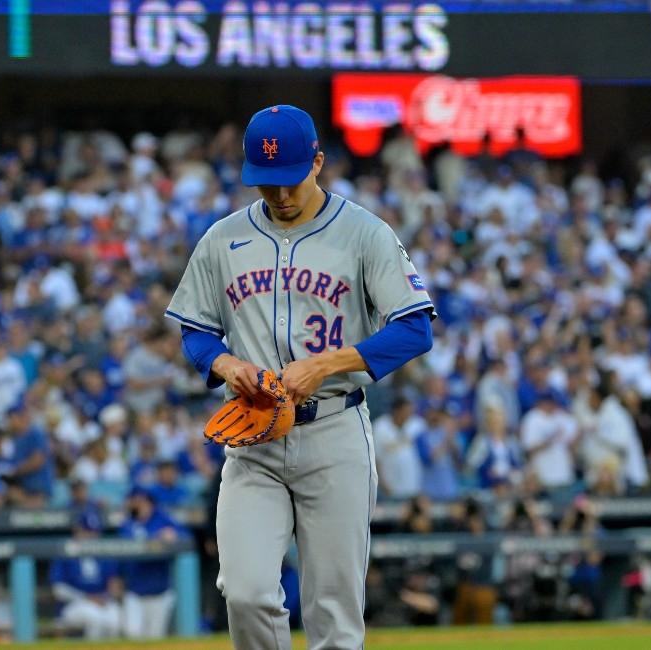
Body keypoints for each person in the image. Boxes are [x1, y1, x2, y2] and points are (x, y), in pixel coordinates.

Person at [165, 104, 435, 650]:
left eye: (291, 179)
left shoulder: (365, 233)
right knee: (245, 593)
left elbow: (415, 329)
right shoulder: (223, 238)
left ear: (317, 163)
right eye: (267, 184)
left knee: (332, 614)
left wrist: (327, 363)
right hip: (255, 437)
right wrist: (225, 364)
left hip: (334, 431)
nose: (281, 195)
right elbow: (195, 332)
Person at [117, 487, 189, 639]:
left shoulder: (162, 519)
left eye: (142, 502)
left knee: (155, 639)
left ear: (150, 503)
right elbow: (124, 549)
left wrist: (173, 535)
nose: (139, 505)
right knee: (133, 634)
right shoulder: (128, 524)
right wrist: (155, 538)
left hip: (160, 593)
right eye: (135, 502)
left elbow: (186, 537)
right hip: (135, 593)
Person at [49, 510, 126, 640]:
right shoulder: (65, 551)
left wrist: (106, 596)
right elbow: (58, 590)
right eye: (87, 531)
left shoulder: (104, 553)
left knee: (115, 620)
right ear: (77, 530)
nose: (91, 535)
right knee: (94, 618)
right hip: (73, 605)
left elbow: (114, 584)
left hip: (102, 602)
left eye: (94, 532)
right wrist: (87, 597)